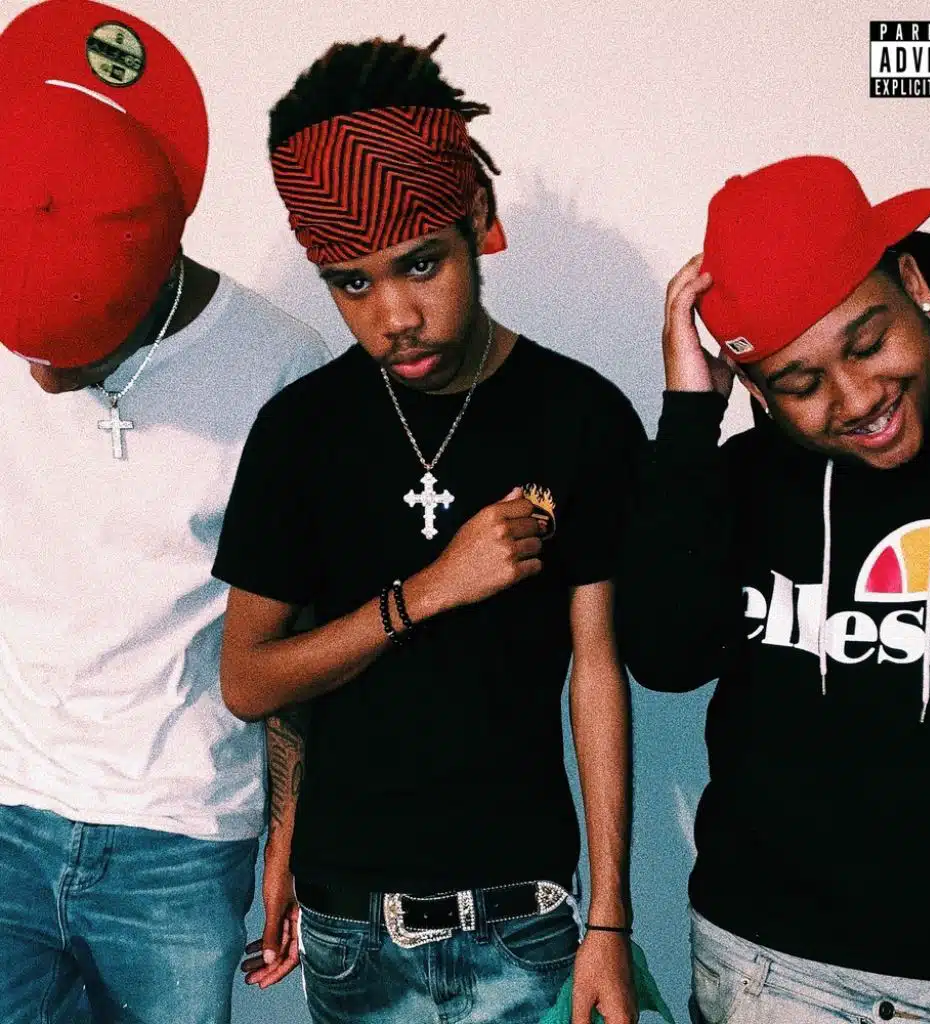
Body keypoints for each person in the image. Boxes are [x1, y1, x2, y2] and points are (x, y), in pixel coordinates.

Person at [212, 34, 645, 1024]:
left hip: (528, 921)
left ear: (477, 219)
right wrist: (428, 592)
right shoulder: (302, 430)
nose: (394, 316)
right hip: (352, 930)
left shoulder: (578, 415)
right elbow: (252, 678)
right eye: (351, 283)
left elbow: (597, 671)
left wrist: (611, 920)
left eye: (419, 265)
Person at [617, 153, 930, 1023]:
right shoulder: (742, 484)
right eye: (799, 384)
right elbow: (664, 655)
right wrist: (689, 418)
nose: (856, 398)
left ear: (914, 284)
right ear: (757, 392)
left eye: (868, 344)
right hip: (775, 972)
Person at [0, 2, 329, 1021]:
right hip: (7, 808)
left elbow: (292, 626)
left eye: (70, 353)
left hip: (182, 840)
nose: (42, 376)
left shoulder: (280, 372)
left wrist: (289, 833)